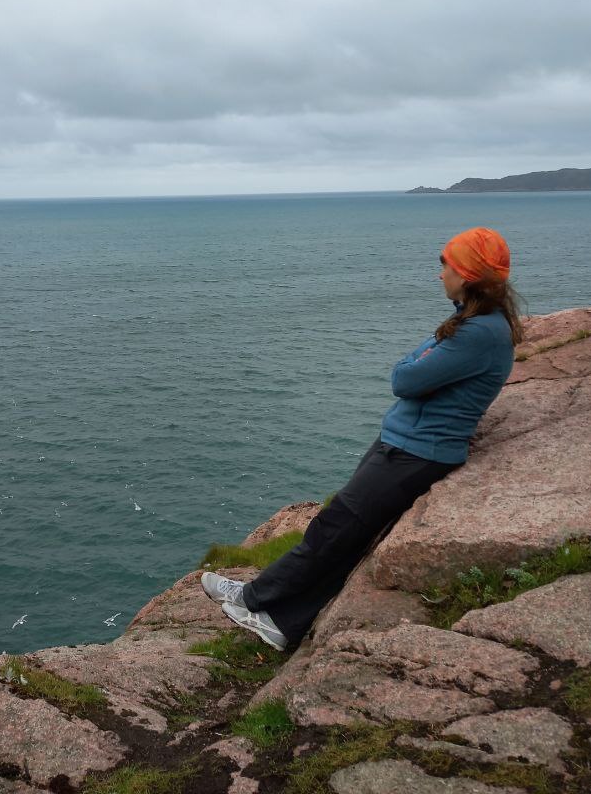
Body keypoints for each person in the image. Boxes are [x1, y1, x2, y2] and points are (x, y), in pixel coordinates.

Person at [201, 227, 523, 650]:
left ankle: (252, 598)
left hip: (414, 452)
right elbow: (417, 368)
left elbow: (404, 377)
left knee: (333, 529)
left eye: (445, 264)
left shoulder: (478, 331)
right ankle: (285, 622)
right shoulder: (476, 321)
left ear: (467, 275)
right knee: (348, 535)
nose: (439, 273)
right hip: (409, 445)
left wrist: (417, 357)